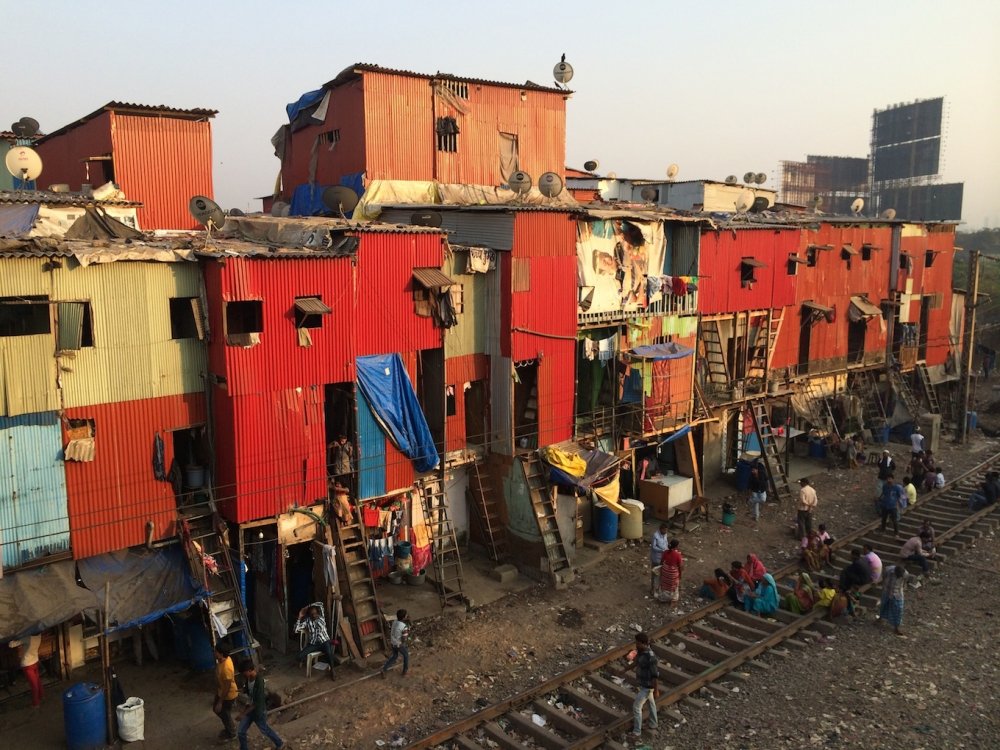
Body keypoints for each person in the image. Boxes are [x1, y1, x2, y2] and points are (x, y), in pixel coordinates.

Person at [237, 660, 284, 750]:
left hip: (258, 711)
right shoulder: (249, 678)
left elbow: (256, 703)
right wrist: (241, 690)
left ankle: (279, 743)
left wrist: (243, 714)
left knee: (265, 729)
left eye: (244, 673)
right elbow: (247, 688)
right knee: (241, 732)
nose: (243, 675)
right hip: (249, 708)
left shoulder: (259, 682)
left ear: (249, 671)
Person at [294, 604, 337, 680]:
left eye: (315, 613)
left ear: (317, 613)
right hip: (314, 644)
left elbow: (320, 604)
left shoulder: (321, 618)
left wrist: (308, 606)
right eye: (312, 614)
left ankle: (333, 670)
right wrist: (300, 617)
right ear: (309, 615)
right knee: (299, 656)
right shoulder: (307, 621)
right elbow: (296, 630)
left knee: (329, 654)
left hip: (324, 641)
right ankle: (330, 643)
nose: (314, 615)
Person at [630, 632, 659, 737]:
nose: (636, 645)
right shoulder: (641, 652)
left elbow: (654, 676)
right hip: (644, 684)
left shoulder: (651, 657)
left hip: (647, 686)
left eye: (638, 643)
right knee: (651, 704)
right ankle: (653, 723)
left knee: (636, 707)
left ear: (644, 643)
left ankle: (637, 732)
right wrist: (624, 670)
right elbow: (636, 662)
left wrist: (656, 690)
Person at [8, 634, 42, 707]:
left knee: (34, 685)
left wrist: (12, 637)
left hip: (27, 664)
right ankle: (41, 696)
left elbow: (11, 645)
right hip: (35, 661)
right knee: (37, 680)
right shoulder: (39, 635)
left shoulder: (27, 637)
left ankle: (36, 703)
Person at [213, 643, 238, 740]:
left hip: (228, 695)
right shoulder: (223, 660)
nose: (214, 653)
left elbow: (227, 687)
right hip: (221, 691)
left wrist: (220, 701)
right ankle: (230, 727)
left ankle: (232, 732)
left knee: (224, 713)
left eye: (216, 652)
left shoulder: (226, 668)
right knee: (221, 712)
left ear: (221, 654)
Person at [878, 561, 910, 635]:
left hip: (897, 592)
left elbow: (905, 582)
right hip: (887, 590)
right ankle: (880, 618)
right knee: (884, 605)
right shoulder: (888, 570)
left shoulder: (905, 574)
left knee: (899, 609)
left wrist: (903, 588)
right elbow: (884, 576)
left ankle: (896, 626)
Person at [839, 549, 870, 616]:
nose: (850, 556)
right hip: (867, 578)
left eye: (851, 555)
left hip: (863, 580)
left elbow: (848, 570)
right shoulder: (861, 560)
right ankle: (845, 587)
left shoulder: (856, 563)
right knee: (848, 573)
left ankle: (843, 588)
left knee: (844, 572)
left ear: (854, 555)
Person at [657, 539, 684, 607]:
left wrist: (661, 571)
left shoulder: (665, 552)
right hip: (672, 573)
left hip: (665, 571)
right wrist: (680, 575)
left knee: (664, 586)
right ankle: (673, 600)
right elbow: (680, 566)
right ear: (676, 546)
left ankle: (662, 599)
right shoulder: (678, 555)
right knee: (674, 587)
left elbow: (661, 562)